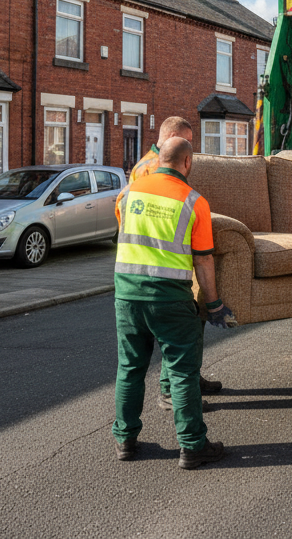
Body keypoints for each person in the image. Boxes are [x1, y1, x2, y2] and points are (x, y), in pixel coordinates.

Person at [113, 137, 236, 469]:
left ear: (158, 159)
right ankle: (193, 445)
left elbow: (127, 236)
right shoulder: (194, 201)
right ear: (187, 163)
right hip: (169, 298)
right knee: (182, 373)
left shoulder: (127, 194)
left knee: (130, 368)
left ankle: (125, 439)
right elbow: (204, 261)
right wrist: (214, 304)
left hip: (126, 295)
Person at [129, 116, 223, 404]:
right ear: (170, 137)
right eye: (186, 142)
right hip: (159, 269)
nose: (190, 151)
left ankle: (189, 377)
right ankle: (173, 390)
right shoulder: (150, 170)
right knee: (175, 335)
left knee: (192, 324)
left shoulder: (152, 165)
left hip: (160, 265)